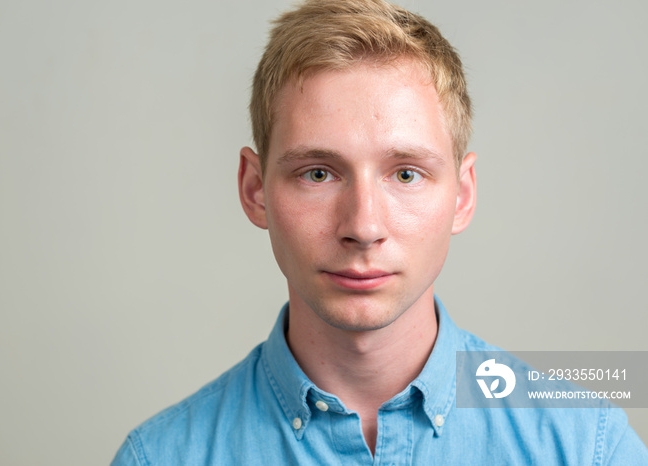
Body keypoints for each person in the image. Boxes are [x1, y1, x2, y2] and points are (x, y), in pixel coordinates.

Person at [112, 0, 648, 463]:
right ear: (255, 190)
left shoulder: (586, 448)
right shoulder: (158, 458)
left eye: (406, 174)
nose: (363, 227)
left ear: (462, 195)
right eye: (318, 173)